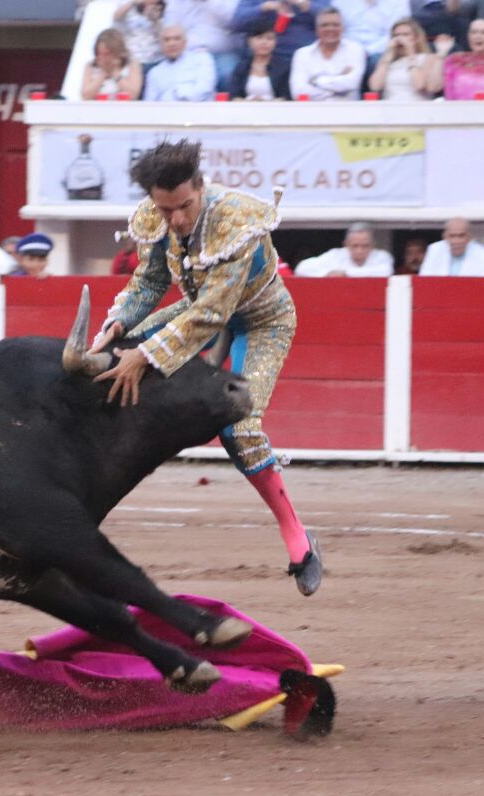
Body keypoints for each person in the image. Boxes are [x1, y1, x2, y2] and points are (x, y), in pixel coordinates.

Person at [89, 139, 324, 597]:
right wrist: (117, 328)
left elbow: (213, 314)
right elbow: (152, 280)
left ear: (201, 187)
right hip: (196, 311)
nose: (175, 219)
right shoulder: (160, 216)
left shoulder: (235, 219)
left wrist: (146, 355)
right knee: (112, 360)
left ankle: (299, 542)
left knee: (240, 427)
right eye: (165, 208)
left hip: (260, 320)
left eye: (184, 206)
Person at [289, 7, 369, 99]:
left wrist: (315, 81)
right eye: (325, 25)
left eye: (335, 25)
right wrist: (338, 85)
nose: (330, 29)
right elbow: (298, 91)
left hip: (348, 111)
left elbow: (352, 83)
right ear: (316, 29)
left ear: (342, 28)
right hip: (312, 111)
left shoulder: (356, 50)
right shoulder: (302, 54)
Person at [163, 0, 244, 89]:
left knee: (229, 74)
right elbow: (170, 28)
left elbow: (236, 20)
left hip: (223, 54)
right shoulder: (177, 3)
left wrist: (209, 1)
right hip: (191, 55)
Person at [234, 0, 331, 65]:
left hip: (304, 57)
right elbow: (237, 23)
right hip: (264, 57)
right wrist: (264, 7)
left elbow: (331, 19)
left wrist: (304, 4)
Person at [369, 18, 444, 99]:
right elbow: (375, 86)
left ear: (416, 38)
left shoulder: (429, 58)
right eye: (396, 35)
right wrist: (388, 54)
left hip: (416, 107)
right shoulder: (388, 61)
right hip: (390, 107)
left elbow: (419, 85)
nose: (400, 39)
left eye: (405, 35)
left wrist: (410, 53)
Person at [144, 25, 220, 100]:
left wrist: (175, 93)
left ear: (185, 42)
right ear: (161, 45)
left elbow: (203, 91)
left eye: (177, 39)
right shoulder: (154, 73)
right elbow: (149, 104)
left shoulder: (202, 60)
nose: (171, 43)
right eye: (166, 40)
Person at [295, 223, 395, 276]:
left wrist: (346, 274)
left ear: (373, 245)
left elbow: (386, 271)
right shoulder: (335, 255)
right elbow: (302, 268)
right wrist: (326, 274)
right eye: (355, 246)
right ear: (346, 244)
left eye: (365, 246)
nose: (359, 250)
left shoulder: (382, 256)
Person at [230, 22, 294, 99]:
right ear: (249, 41)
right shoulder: (242, 67)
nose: (264, 42)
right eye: (259, 38)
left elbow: (287, 97)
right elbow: (234, 96)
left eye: (269, 38)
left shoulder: (284, 67)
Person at [334, 0, 416, 60]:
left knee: (378, 60)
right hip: (346, 50)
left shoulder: (399, 2)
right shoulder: (341, 2)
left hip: (381, 51)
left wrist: (368, 51)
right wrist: (353, 50)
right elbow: (336, 30)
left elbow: (396, 34)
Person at [82, 28, 145, 100]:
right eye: (99, 54)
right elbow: (85, 96)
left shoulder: (133, 65)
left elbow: (133, 95)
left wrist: (115, 73)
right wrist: (103, 74)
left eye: (106, 54)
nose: (102, 58)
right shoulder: (90, 66)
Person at [420, 218, 484, 275]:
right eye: (452, 236)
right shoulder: (434, 250)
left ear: (469, 237)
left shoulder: (483, 254)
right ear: (445, 236)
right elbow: (424, 278)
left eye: (461, 236)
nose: (456, 241)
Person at [115, 0, 168, 69]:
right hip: (134, 59)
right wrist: (133, 3)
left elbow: (167, 36)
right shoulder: (128, 5)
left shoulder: (164, 7)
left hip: (158, 59)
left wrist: (155, 21)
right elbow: (116, 17)